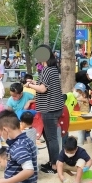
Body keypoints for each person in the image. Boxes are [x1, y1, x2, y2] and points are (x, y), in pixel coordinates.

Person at [25, 46, 62, 174]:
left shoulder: (46, 70)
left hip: (49, 109)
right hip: (55, 107)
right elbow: (43, 84)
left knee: (51, 138)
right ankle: (53, 162)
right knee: (49, 137)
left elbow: (42, 89)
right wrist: (33, 82)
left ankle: (55, 166)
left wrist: (29, 85)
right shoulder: (52, 69)